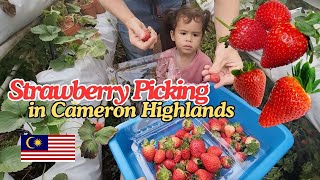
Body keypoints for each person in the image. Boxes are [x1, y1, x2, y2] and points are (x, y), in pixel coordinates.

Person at [156, 6, 212, 84]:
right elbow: (159, 80)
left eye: (195, 35)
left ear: (201, 38)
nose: (189, 39)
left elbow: (208, 86)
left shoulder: (205, 62)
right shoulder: (165, 57)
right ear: (173, 35)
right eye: (183, 33)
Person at [117, 0, 183, 60]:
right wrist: (129, 19)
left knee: (178, 52)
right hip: (131, 7)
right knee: (141, 61)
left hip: (171, 3)